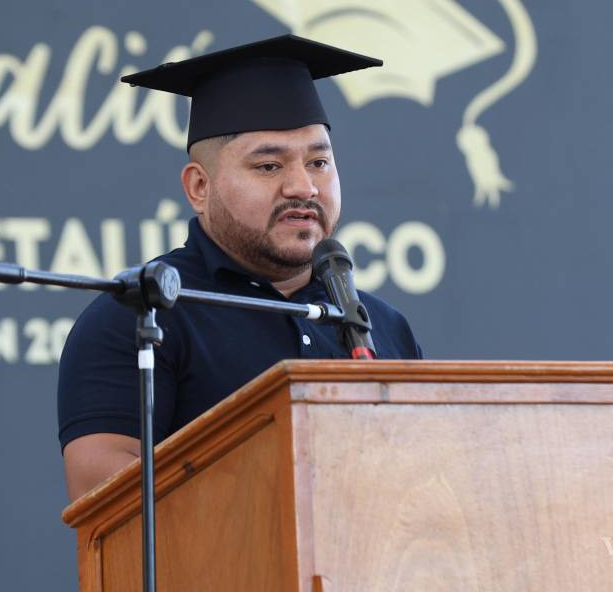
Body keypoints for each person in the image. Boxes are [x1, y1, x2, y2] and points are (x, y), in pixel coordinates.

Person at [57, 35, 423, 502]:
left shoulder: (384, 328)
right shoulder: (143, 315)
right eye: (269, 166)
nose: (304, 186)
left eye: (319, 162)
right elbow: (107, 502)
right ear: (199, 187)